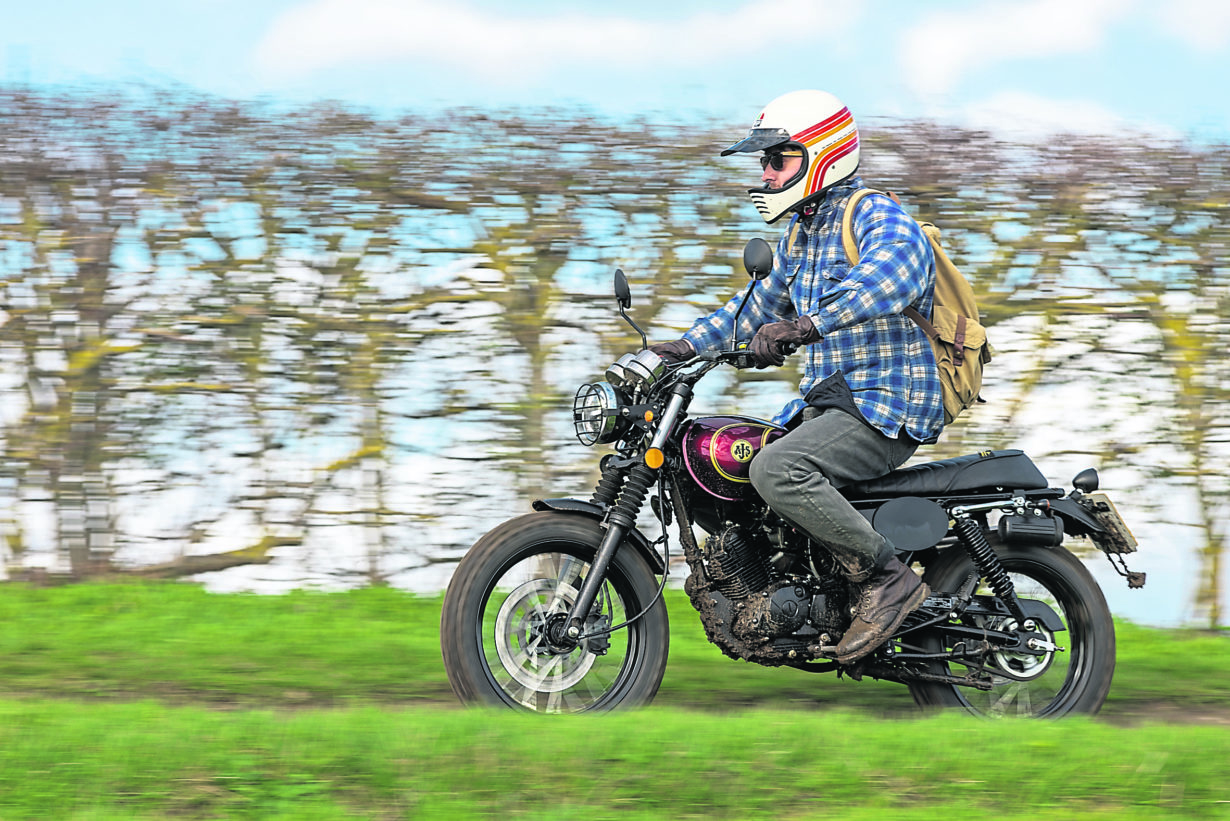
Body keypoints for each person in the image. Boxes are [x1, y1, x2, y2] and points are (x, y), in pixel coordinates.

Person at [650, 90, 943, 664]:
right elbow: (752, 308)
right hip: (833, 403)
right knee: (733, 465)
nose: (763, 174)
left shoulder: (872, 213)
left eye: (775, 159)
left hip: (885, 401)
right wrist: (683, 346)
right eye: (763, 161)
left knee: (778, 467)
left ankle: (888, 580)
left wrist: (808, 324)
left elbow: (899, 273)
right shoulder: (800, 238)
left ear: (820, 155)